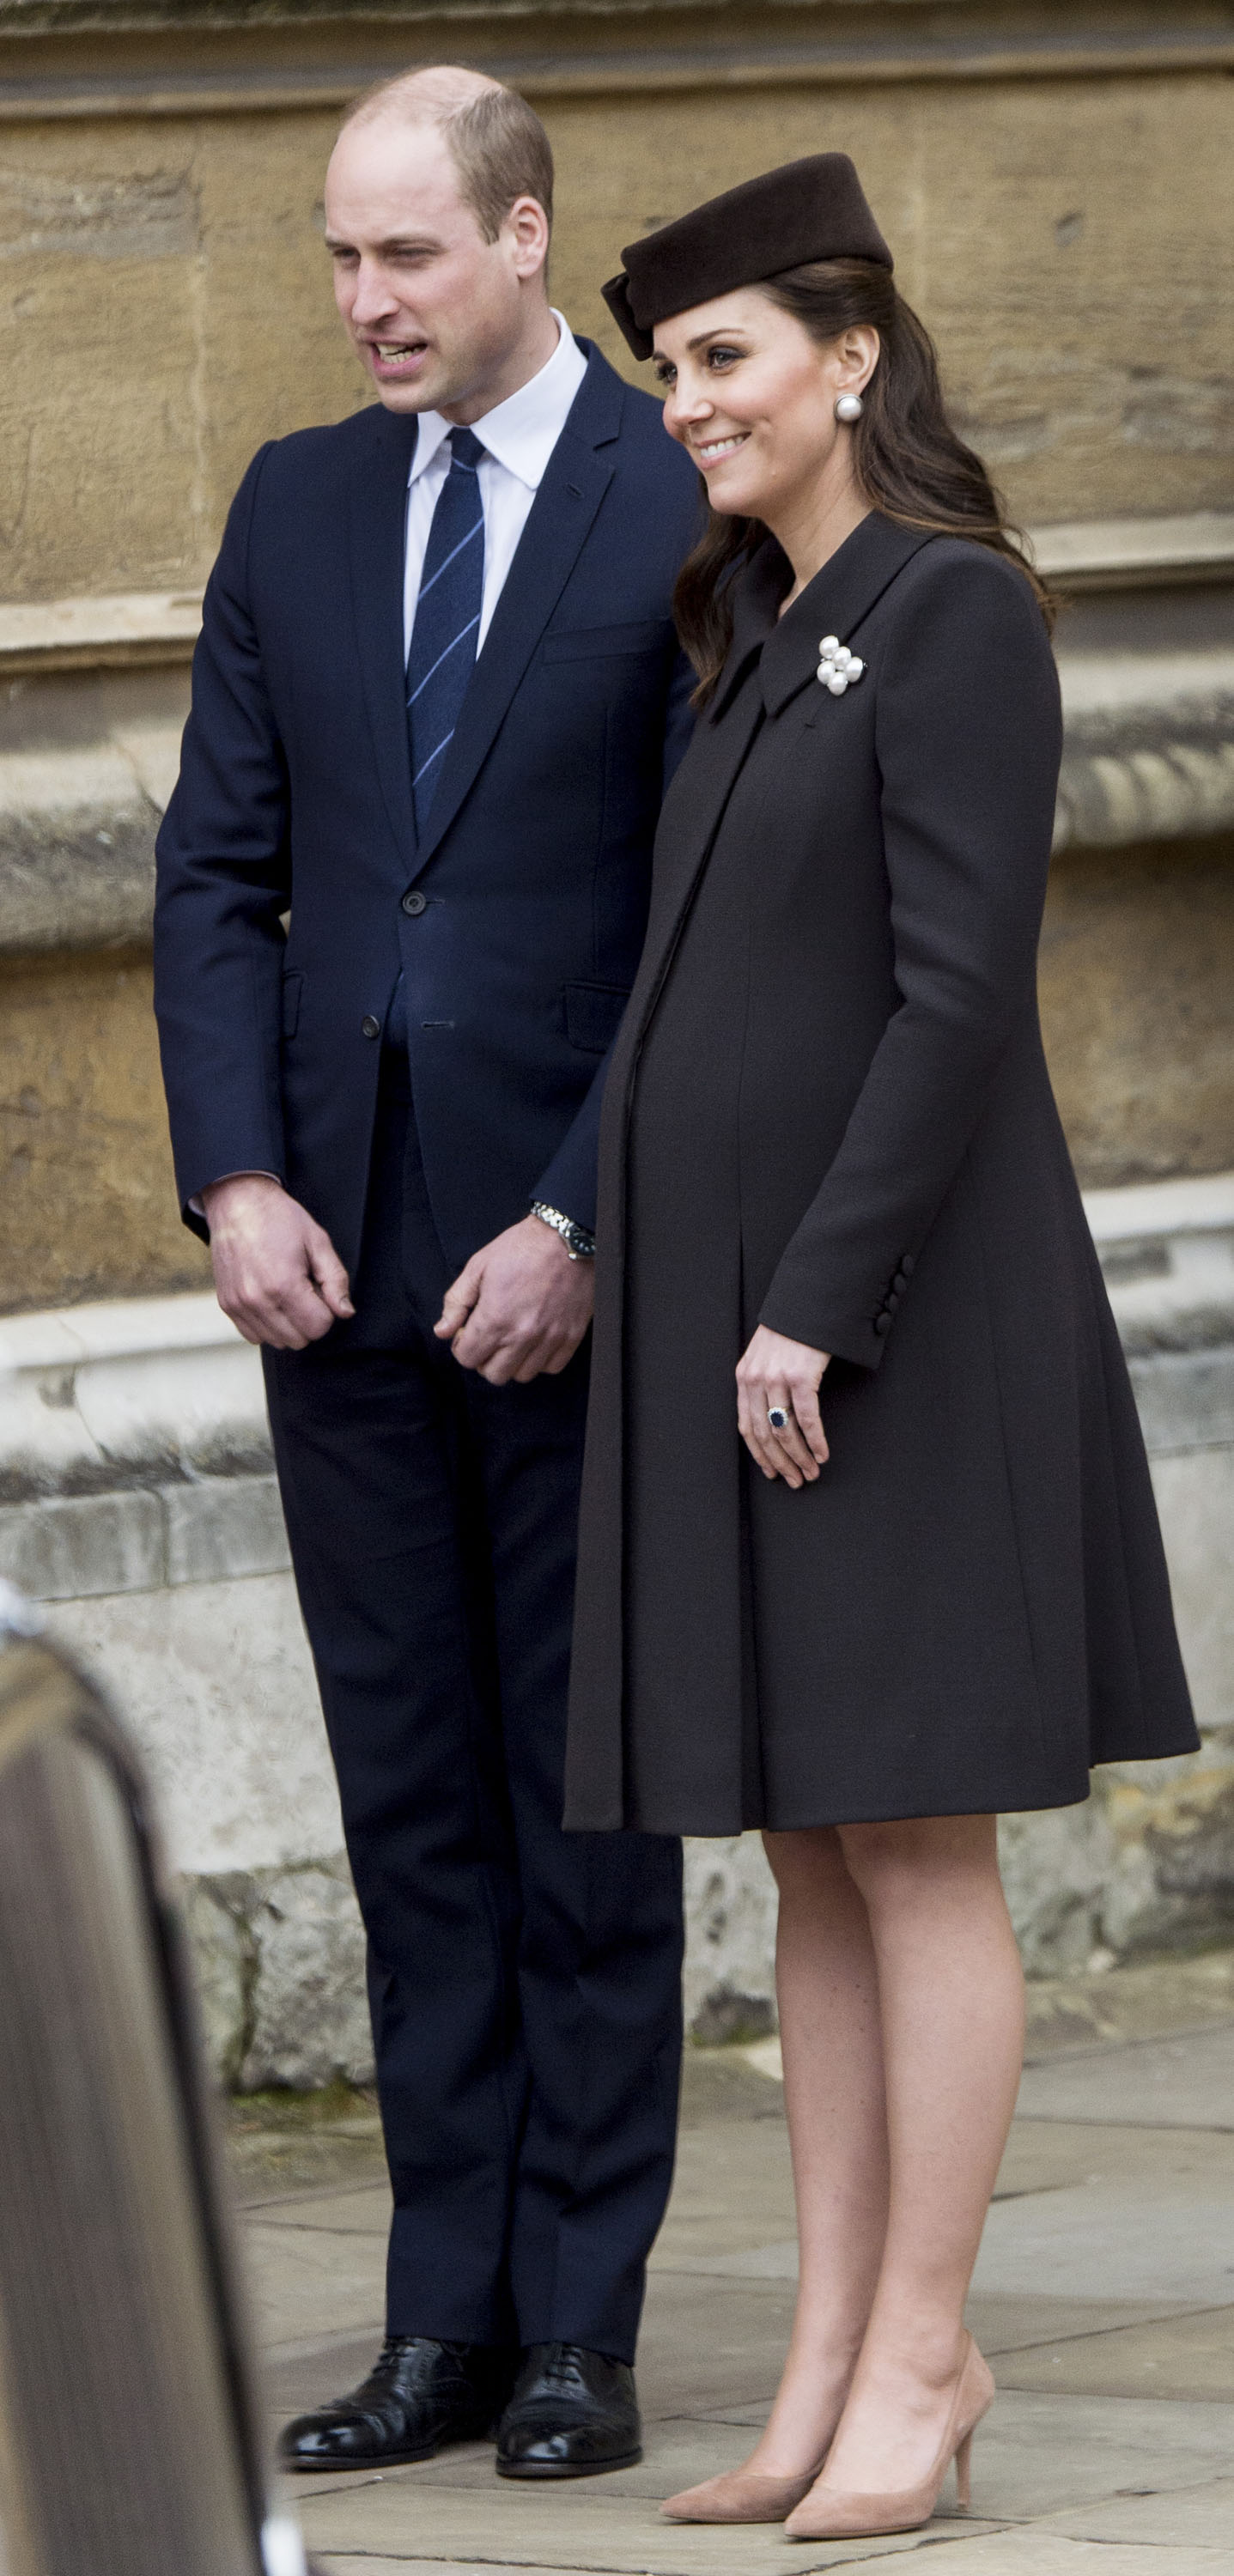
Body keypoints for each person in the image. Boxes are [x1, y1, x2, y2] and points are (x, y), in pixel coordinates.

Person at [565, 155, 1199, 2539]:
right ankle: (831, 2361)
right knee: (814, 1851)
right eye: (672, 373)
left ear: (851, 357)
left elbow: (955, 1006)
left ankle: (930, 2363)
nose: (692, 404)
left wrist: (810, 1306)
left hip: (891, 1333)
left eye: (724, 356)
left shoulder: (948, 615)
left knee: (914, 1847)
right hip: (752, 1342)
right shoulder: (757, 628)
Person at [154, 69, 700, 2482]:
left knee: (582, 1812)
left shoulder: (676, 493)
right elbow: (212, 879)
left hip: (573, 1263)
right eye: (339, 259)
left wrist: (586, 1215)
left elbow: (716, 929)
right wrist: (237, 1178)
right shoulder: (294, 501)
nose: (365, 303)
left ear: (524, 235)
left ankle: (584, 2319)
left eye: (408, 257)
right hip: (337, 1272)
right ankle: (444, 2317)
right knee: (413, 1815)